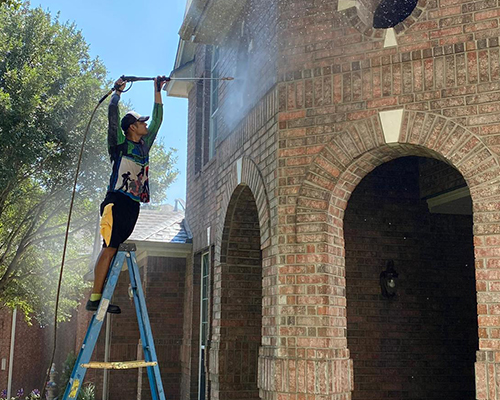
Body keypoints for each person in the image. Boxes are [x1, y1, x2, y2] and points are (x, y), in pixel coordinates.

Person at [86, 76, 168, 314]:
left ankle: (102, 298)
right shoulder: (119, 144)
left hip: (133, 205)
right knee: (109, 247)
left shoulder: (144, 145)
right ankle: (95, 297)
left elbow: (158, 120)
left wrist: (157, 90)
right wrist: (117, 93)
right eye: (141, 122)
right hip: (116, 202)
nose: (145, 125)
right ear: (132, 126)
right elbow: (113, 118)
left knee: (115, 248)